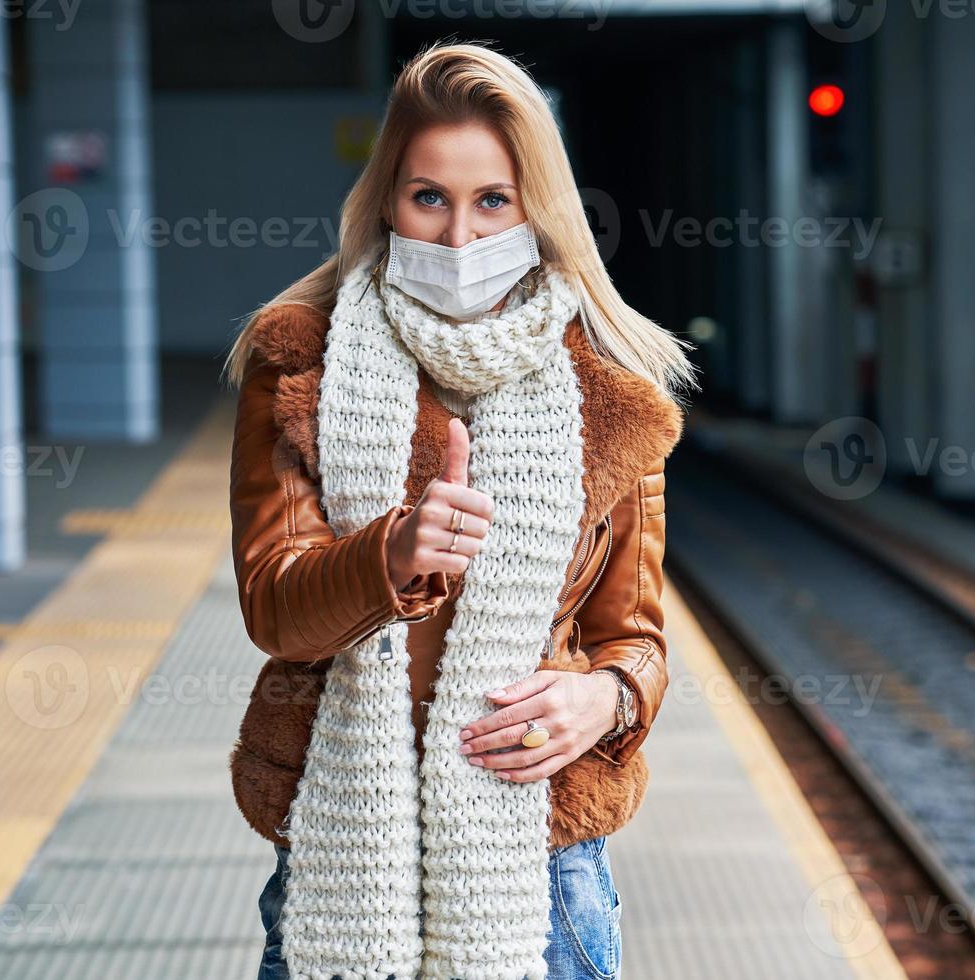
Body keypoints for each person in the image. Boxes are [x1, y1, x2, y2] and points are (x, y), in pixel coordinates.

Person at [222, 39, 697, 980]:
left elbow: (633, 637)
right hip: (340, 849)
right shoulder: (298, 359)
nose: (458, 237)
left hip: (541, 861)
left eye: (493, 202)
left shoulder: (616, 383)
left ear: (537, 209)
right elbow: (273, 607)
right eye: (429, 197)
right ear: (386, 199)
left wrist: (602, 700)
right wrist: (386, 559)